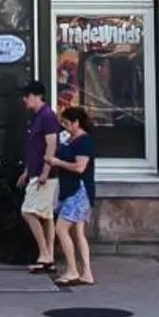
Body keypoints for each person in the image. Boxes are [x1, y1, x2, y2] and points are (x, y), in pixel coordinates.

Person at [49, 103, 96, 286]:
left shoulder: (84, 141)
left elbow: (80, 167)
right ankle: (87, 273)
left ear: (77, 123)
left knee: (61, 229)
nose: (65, 127)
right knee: (78, 232)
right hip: (72, 190)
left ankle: (72, 270)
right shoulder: (72, 140)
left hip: (79, 191)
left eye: (67, 124)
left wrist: (57, 162)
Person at [17, 78, 60, 271]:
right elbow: (34, 147)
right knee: (47, 215)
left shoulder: (47, 116)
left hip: (45, 175)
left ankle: (44, 253)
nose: (24, 101)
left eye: (26, 97)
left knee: (28, 211)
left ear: (35, 96)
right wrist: (27, 171)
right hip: (36, 172)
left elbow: (51, 143)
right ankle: (48, 256)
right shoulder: (38, 117)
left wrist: (45, 171)